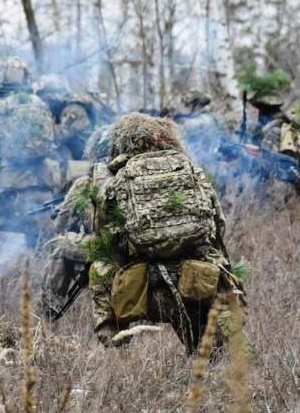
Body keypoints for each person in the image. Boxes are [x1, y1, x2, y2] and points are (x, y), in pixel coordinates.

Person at [88, 112, 243, 354]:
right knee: (217, 266)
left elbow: (103, 237)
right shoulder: (191, 170)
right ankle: (218, 345)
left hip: (141, 288)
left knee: (99, 267)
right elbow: (218, 227)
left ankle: (113, 341)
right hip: (198, 281)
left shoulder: (116, 180)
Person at [0, 58, 63, 260]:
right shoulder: (41, 106)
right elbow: (54, 141)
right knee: (43, 241)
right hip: (45, 185)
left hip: (11, 189)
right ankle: (43, 280)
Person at [40, 124, 114, 317]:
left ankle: (49, 309)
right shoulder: (135, 175)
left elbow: (60, 224)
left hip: (108, 247)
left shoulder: (87, 180)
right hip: (140, 246)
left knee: (59, 246)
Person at [35, 74, 97, 160]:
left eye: (45, 95)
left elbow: (63, 134)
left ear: (54, 94)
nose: (43, 100)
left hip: (81, 159)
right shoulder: (58, 110)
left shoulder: (72, 110)